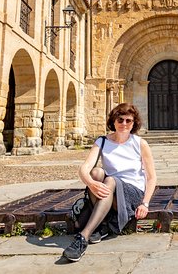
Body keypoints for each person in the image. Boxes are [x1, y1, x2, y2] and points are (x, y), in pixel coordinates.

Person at [63, 103, 157, 262]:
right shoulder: (103, 141)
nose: (124, 124)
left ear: (134, 123)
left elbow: (151, 177)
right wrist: (91, 183)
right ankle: (101, 225)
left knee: (110, 179)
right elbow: (84, 168)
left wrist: (145, 203)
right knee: (95, 173)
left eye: (129, 120)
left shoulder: (139, 143)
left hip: (132, 192)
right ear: (113, 121)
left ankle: (83, 238)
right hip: (109, 191)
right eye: (120, 120)